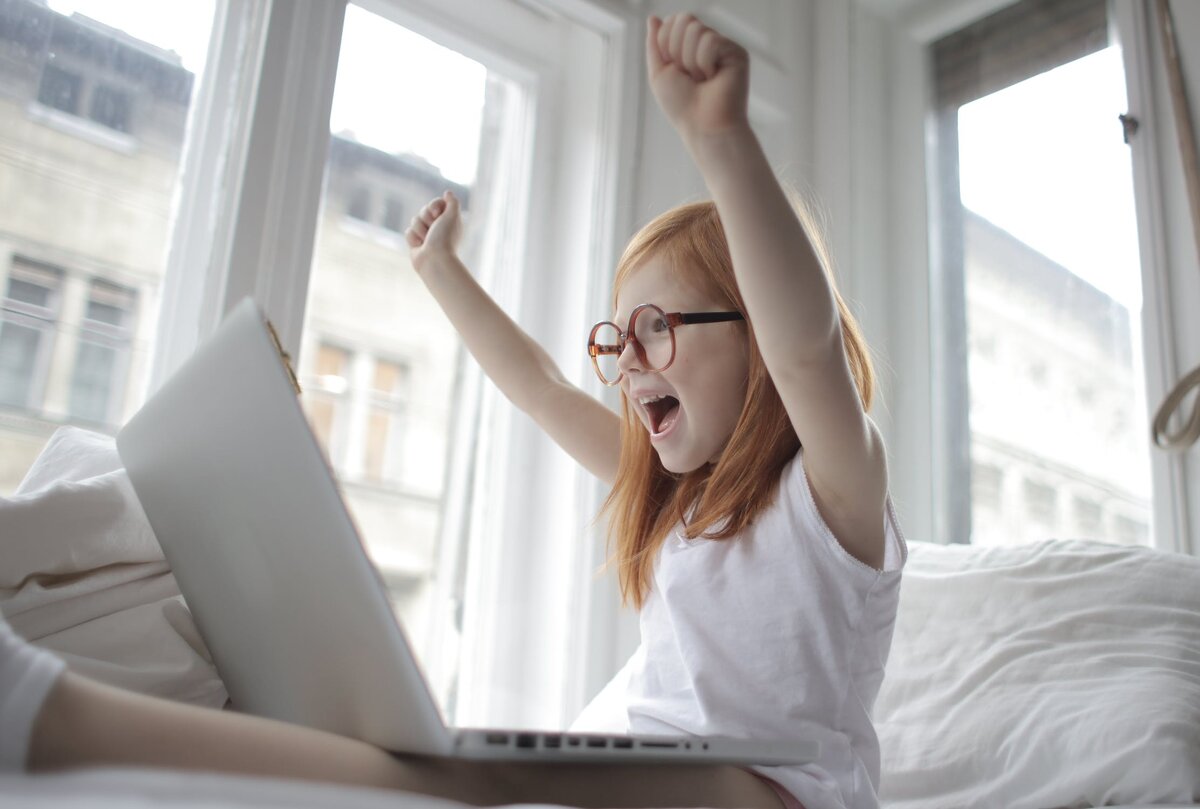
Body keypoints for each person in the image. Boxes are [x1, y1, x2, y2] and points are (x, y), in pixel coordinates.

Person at [3, 14, 903, 809]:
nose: (626, 361)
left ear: (752, 335)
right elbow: (545, 385)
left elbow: (805, 350)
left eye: (658, 328)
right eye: (617, 337)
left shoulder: (833, 496)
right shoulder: (673, 512)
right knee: (440, 761)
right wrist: (442, 274)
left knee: (487, 774)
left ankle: (55, 721)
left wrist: (722, 141)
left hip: (781, 792)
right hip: (663, 775)